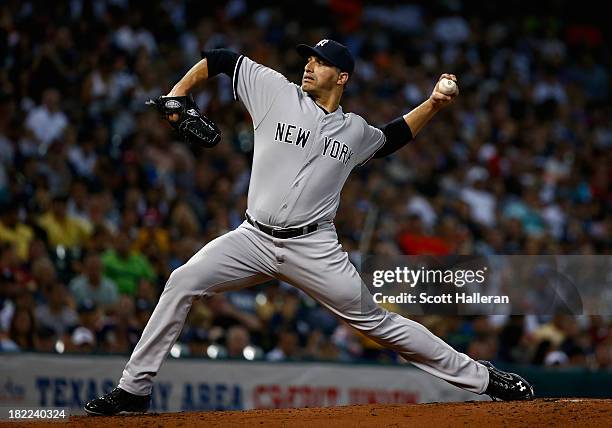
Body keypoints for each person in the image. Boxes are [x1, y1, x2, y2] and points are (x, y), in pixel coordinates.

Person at [85, 39, 534, 416]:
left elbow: (394, 136)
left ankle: (483, 378)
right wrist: (179, 94)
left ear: (342, 77)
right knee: (182, 281)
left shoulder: (354, 131)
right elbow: (221, 60)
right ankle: (134, 390)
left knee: (379, 323)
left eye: (320, 62)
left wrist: (434, 104)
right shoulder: (274, 91)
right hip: (253, 238)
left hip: (314, 247)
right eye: (309, 58)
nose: (309, 64)